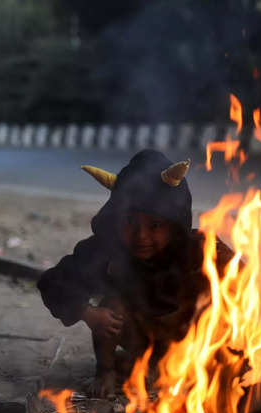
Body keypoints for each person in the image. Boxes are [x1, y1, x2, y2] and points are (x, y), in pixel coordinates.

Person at [37, 150, 234, 397]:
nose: (141, 237)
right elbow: (54, 281)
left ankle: (174, 367)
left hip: (184, 337)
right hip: (133, 333)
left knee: (215, 302)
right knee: (113, 304)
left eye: (154, 226)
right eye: (130, 223)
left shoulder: (198, 247)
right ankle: (106, 370)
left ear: (174, 224)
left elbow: (244, 279)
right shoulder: (108, 248)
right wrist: (87, 313)